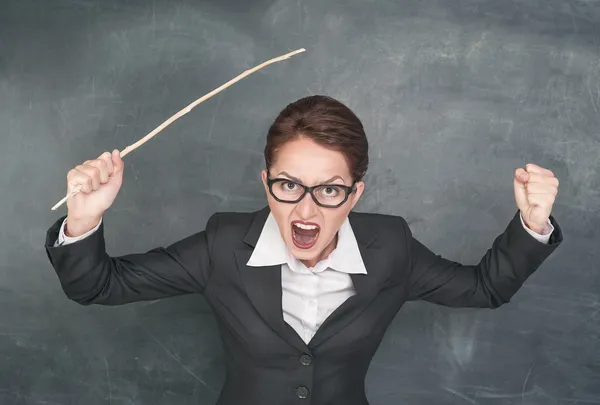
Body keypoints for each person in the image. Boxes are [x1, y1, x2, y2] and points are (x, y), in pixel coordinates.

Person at [44, 95, 563, 405]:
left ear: (356, 193)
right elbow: (97, 286)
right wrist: (84, 218)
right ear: (266, 182)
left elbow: (485, 287)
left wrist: (532, 222)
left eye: (330, 190)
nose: (307, 210)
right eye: (289, 186)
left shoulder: (391, 249)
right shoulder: (223, 244)